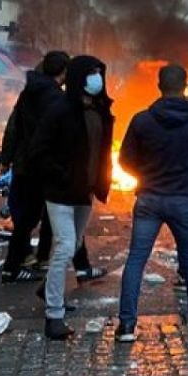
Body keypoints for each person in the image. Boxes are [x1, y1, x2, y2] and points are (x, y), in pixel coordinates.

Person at [116, 64, 188, 341]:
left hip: (149, 197)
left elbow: (124, 160)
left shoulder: (142, 120)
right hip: (184, 197)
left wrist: (146, 174)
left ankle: (126, 324)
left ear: (159, 86)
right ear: (184, 87)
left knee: (136, 260)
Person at [27, 56, 114, 340]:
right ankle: (54, 315)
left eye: (100, 73)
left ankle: (48, 289)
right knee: (64, 246)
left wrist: (101, 181)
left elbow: (102, 152)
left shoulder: (101, 111)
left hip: (84, 192)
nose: (97, 79)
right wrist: (60, 175)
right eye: (91, 73)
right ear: (78, 77)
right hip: (61, 191)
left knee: (74, 243)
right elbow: (39, 149)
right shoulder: (60, 110)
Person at [0, 51, 70, 284]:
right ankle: (13, 267)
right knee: (31, 217)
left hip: (24, 163)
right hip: (40, 165)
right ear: (63, 72)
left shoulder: (29, 92)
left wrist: (7, 156)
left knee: (25, 216)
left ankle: (24, 260)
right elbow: (55, 135)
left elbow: (14, 126)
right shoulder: (55, 98)